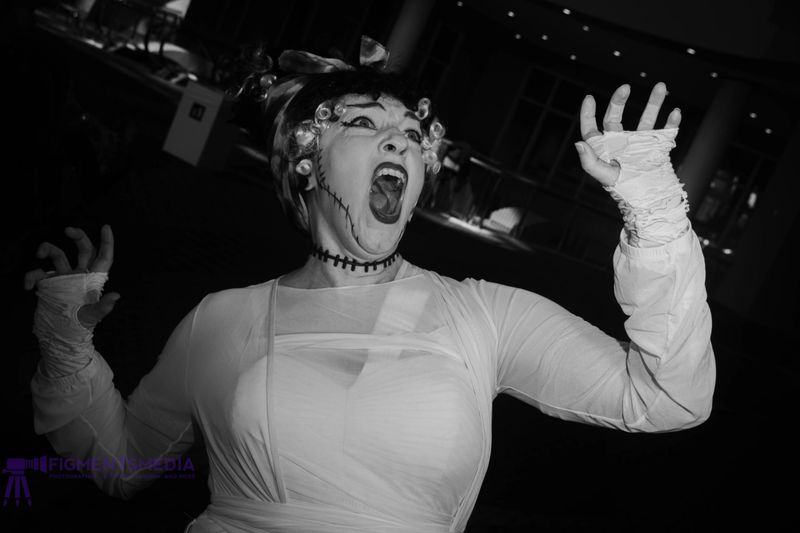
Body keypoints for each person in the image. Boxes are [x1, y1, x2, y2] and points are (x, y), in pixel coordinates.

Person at [24, 36, 715, 532]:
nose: (399, 141)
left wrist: (654, 209)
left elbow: (667, 397)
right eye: (364, 122)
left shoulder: (484, 315)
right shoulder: (222, 319)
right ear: (305, 162)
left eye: (412, 132)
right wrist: (65, 344)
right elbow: (124, 463)